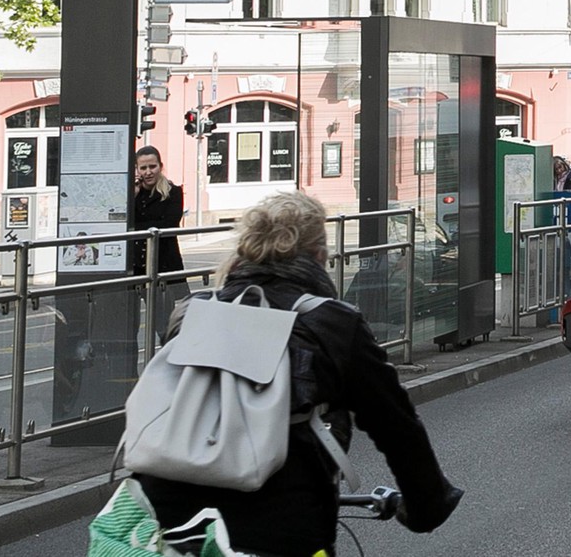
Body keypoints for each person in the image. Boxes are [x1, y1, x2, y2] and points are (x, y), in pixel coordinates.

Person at [136, 190, 463, 557]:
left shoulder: (194, 311)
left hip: (168, 525)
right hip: (281, 530)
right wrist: (427, 505)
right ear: (320, 256)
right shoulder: (333, 323)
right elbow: (396, 426)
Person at [128, 146, 185, 278]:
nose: (148, 172)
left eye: (152, 166)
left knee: (171, 293)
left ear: (160, 166)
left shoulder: (173, 192)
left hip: (166, 261)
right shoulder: (134, 193)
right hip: (138, 264)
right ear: (137, 169)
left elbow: (171, 224)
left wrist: (136, 228)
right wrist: (133, 196)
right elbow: (125, 223)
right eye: (143, 168)